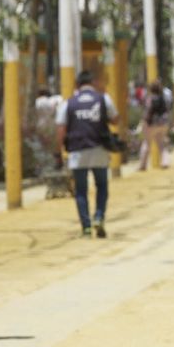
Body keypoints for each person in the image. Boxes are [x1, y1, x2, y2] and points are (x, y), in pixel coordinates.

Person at [56, 70, 118, 238]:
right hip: (100, 149)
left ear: (77, 85)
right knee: (102, 186)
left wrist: (58, 151)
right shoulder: (103, 99)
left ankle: (86, 227)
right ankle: (99, 217)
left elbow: (61, 129)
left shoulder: (68, 104)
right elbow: (115, 119)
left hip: (77, 151)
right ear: (93, 83)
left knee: (81, 190)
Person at [140, 81, 172, 169]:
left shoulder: (150, 98)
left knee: (146, 143)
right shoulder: (163, 98)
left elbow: (148, 111)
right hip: (164, 123)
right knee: (161, 144)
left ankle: (143, 164)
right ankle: (165, 161)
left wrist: (145, 122)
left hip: (152, 124)